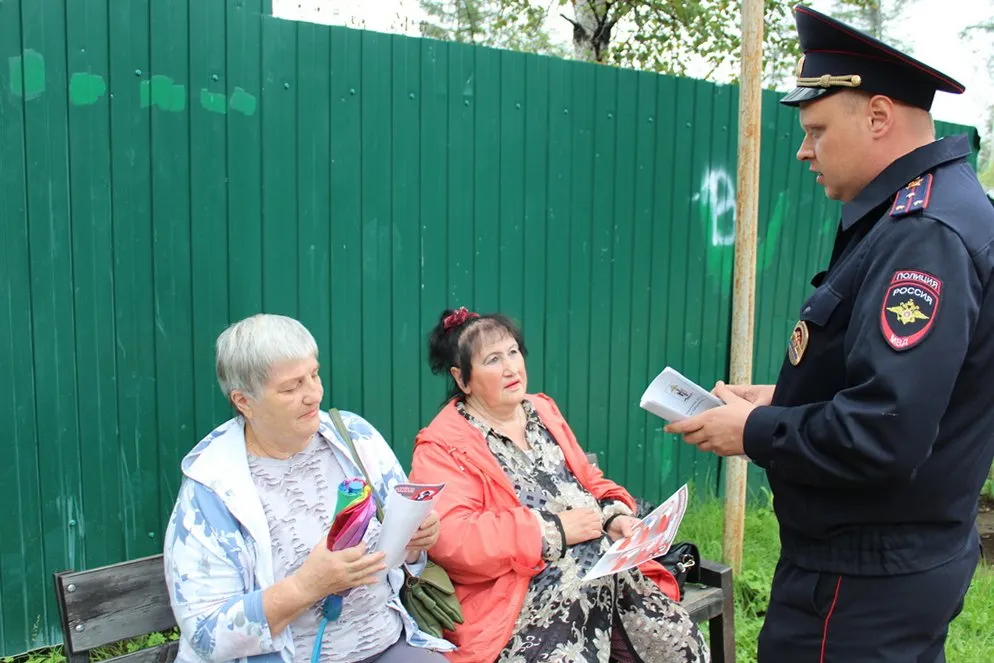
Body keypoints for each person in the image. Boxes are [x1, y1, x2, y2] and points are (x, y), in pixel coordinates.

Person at [665, 5, 994, 663]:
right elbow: (899, 384)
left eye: (815, 129)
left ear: (878, 116)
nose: (802, 148)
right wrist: (779, 400)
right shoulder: (933, 209)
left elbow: (885, 432)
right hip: (891, 563)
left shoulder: (921, 236)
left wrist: (752, 431)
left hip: (858, 584)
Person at [408, 307, 709, 663]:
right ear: (463, 379)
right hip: (521, 600)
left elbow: (588, 480)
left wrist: (613, 515)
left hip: (605, 576)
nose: (511, 368)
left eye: (513, 352)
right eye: (492, 359)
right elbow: (455, 541)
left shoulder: (541, 410)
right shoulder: (443, 445)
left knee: (679, 642)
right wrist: (554, 531)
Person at [163, 314, 454, 663]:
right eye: (291, 387)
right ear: (243, 401)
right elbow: (205, 633)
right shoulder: (211, 487)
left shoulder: (355, 437)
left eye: (314, 375)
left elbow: (400, 556)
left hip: (385, 643)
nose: (313, 394)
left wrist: (414, 541)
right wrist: (305, 587)